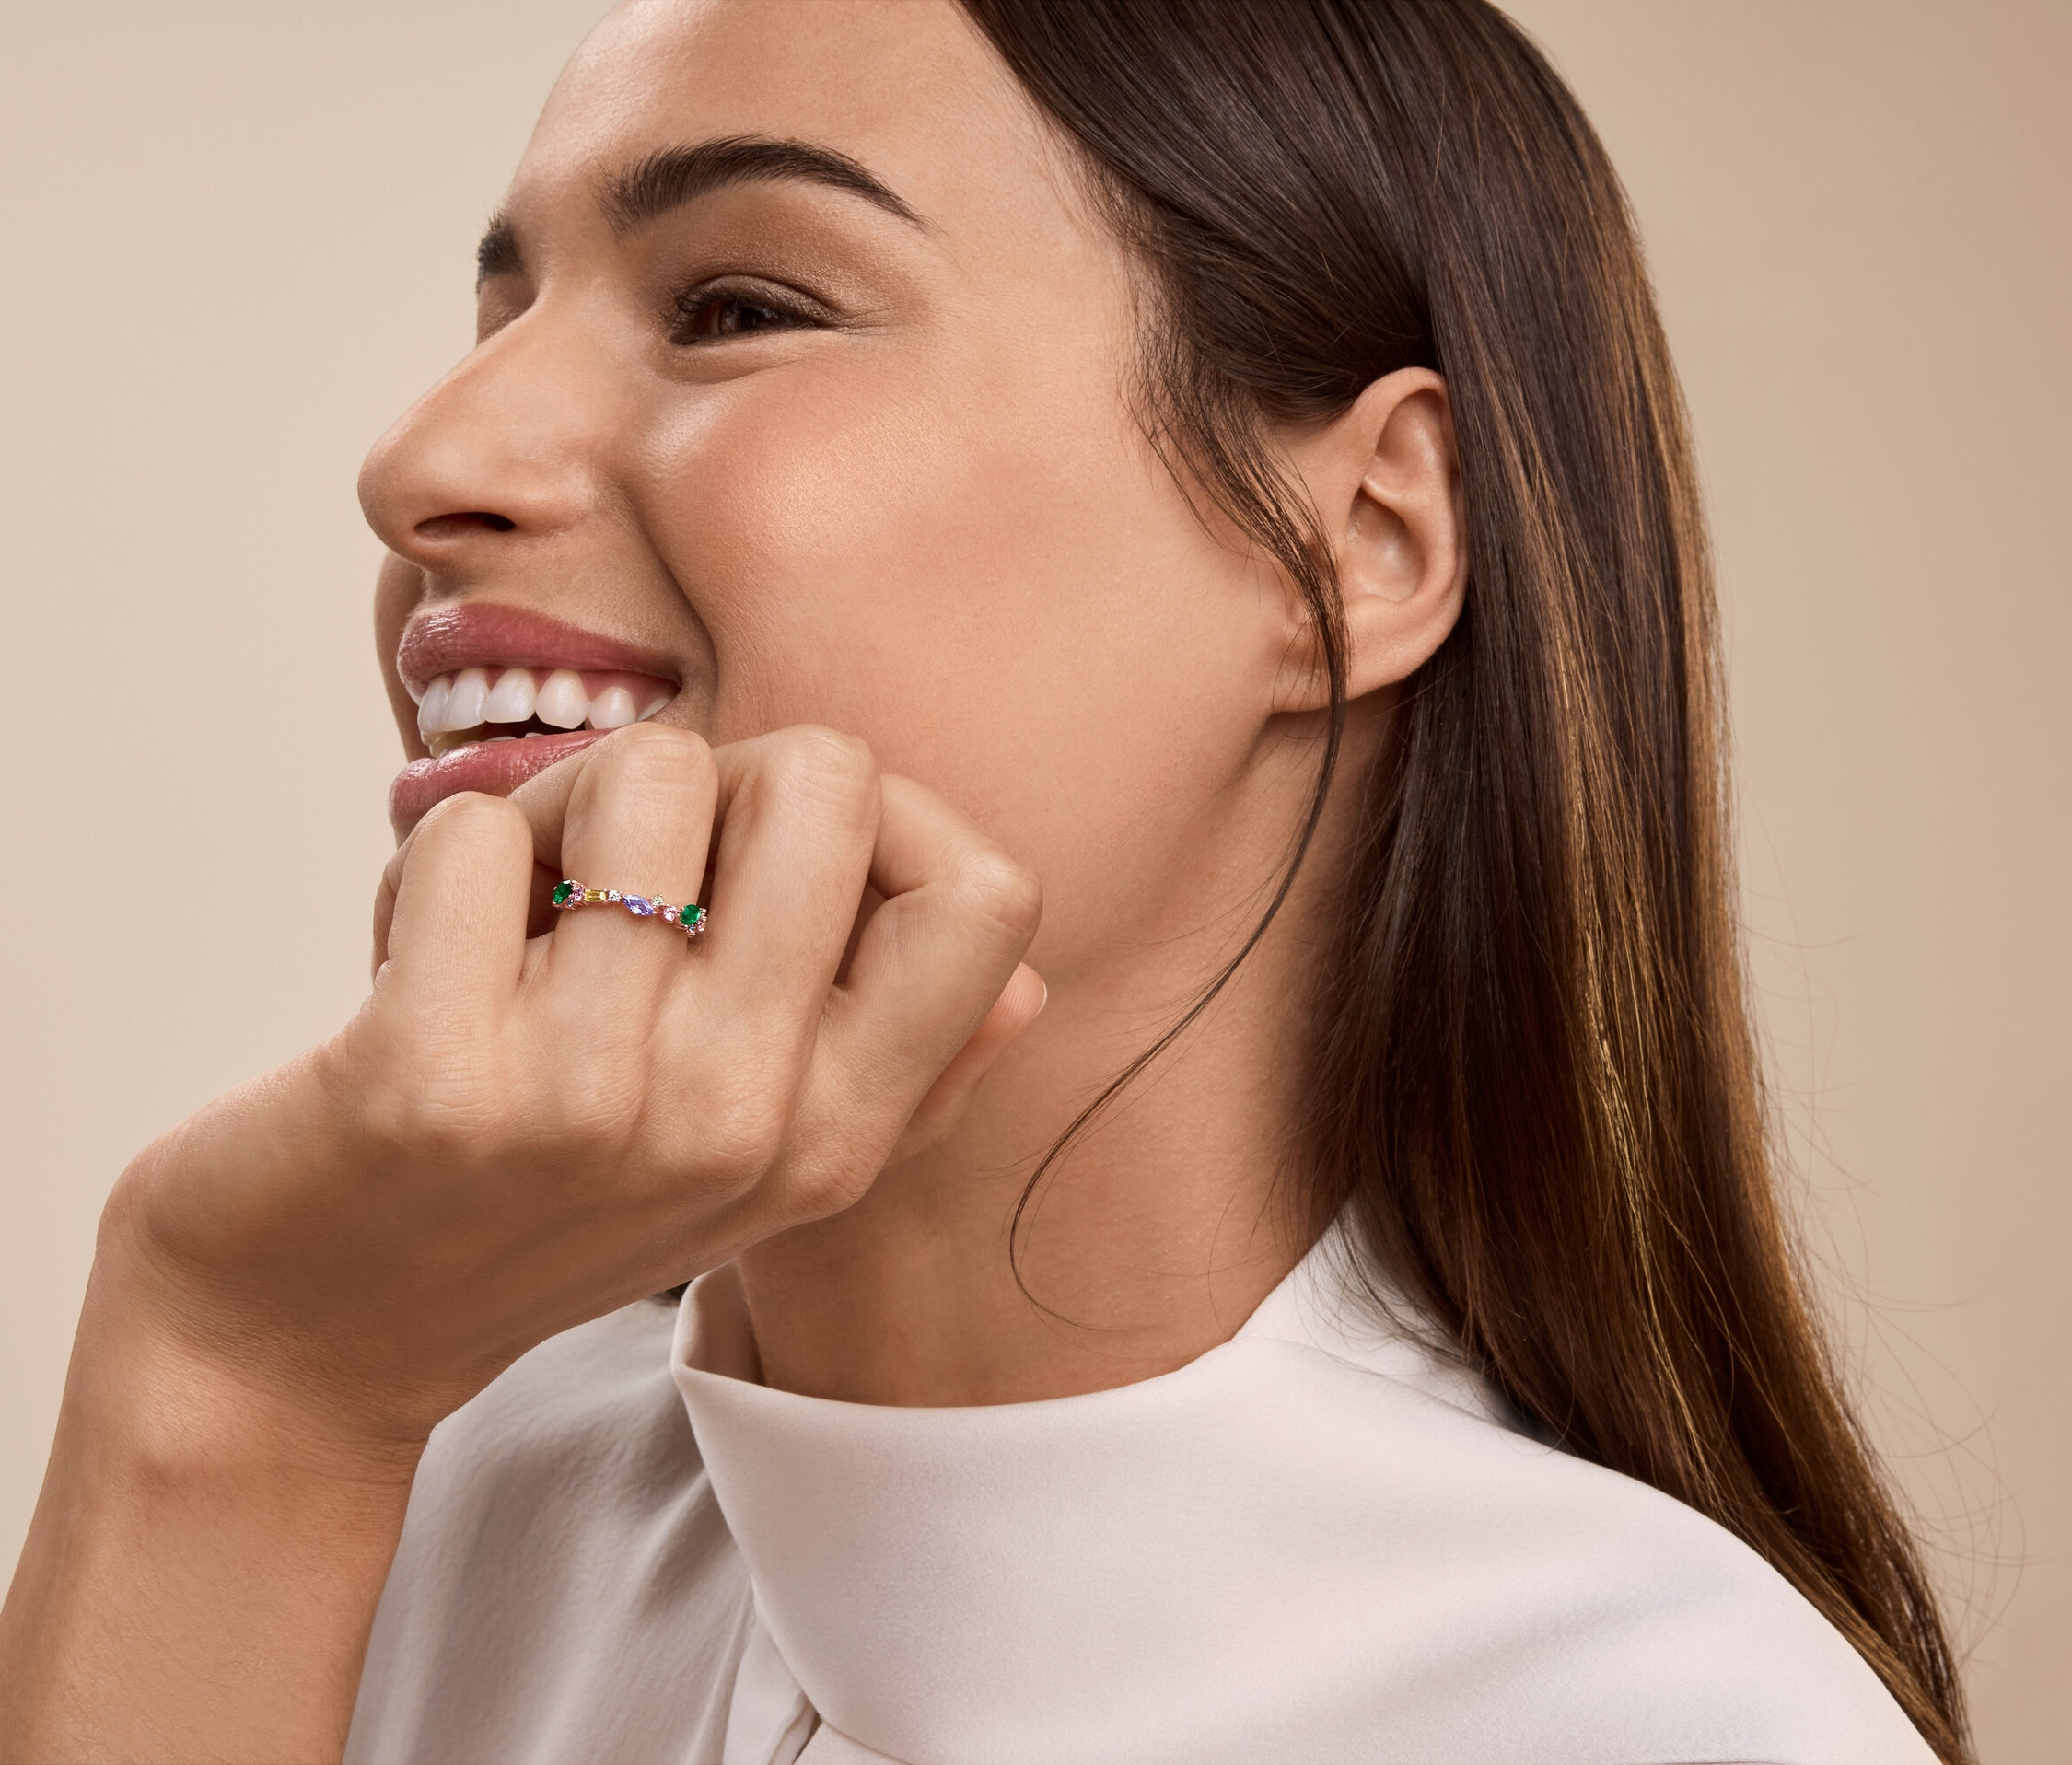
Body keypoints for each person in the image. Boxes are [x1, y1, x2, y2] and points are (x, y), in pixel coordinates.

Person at [0, 1, 1970, 1760]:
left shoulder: (1647, 1720)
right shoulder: (401, 1486)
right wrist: (228, 1384)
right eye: (502, 313)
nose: (426, 455)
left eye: (737, 304)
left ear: (1367, 539)